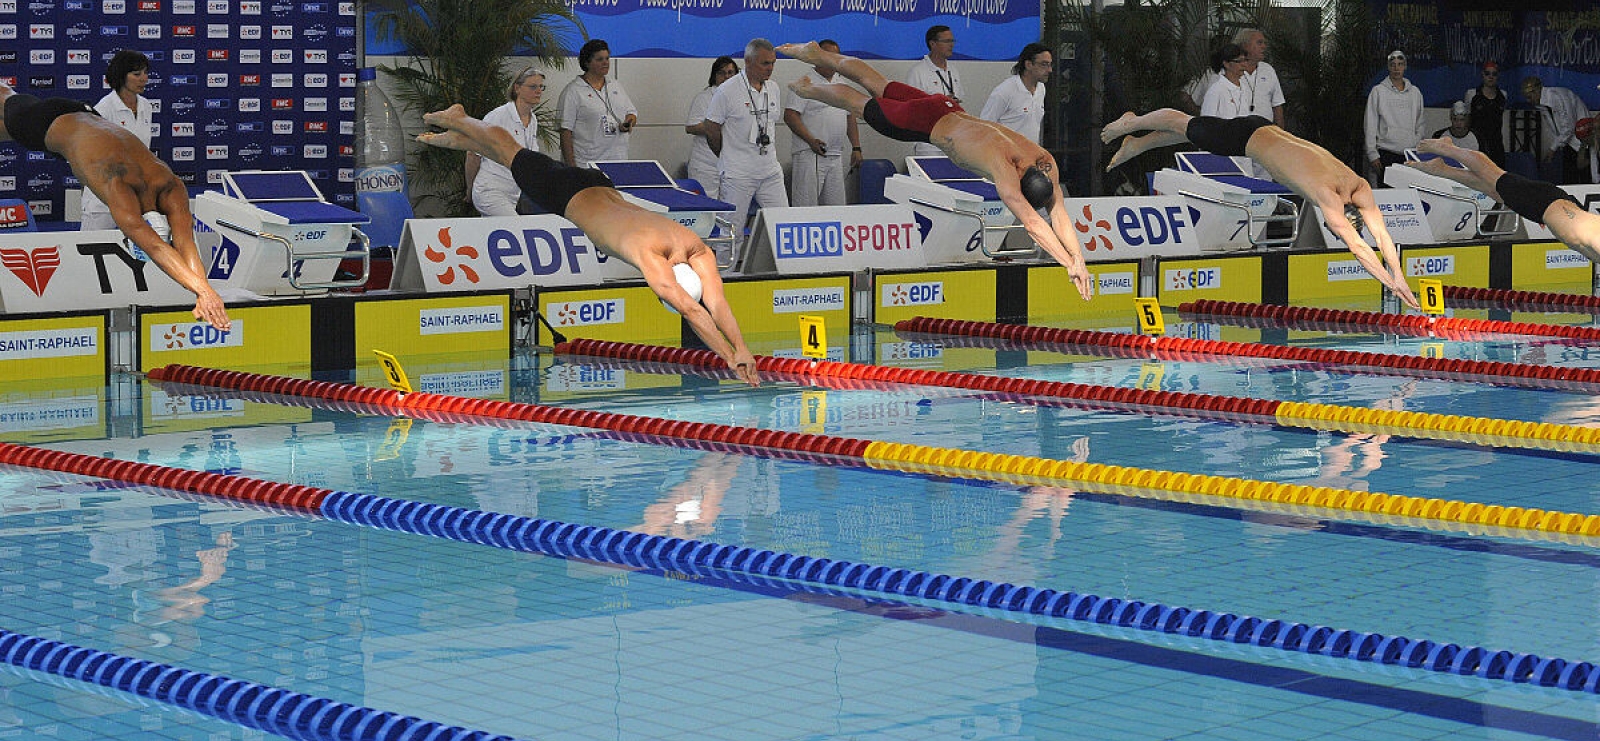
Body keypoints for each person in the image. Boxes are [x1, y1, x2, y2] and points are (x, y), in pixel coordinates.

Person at [418, 104, 760, 385]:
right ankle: (461, 117)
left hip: (599, 184)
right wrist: (730, 357)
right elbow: (693, 309)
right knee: (511, 152)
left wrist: (742, 348)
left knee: (513, 157)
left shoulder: (692, 243)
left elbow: (716, 303)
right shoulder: (650, 255)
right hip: (565, 194)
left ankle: (461, 139)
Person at [777, 41, 1093, 300]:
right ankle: (811, 88)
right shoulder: (1005, 175)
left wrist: (1078, 258)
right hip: (926, 124)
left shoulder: (1039, 157)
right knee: (861, 104)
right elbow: (1036, 224)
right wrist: (1067, 264)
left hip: (946, 106)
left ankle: (820, 55)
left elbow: (1058, 210)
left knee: (880, 83)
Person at [1102, 109, 1421, 309]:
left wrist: (1400, 276)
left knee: (1191, 133)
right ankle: (1134, 122)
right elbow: (1360, 247)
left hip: (1263, 127)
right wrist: (1390, 281)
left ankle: (1138, 144)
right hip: (1246, 138)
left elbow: (1382, 236)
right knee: (1182, 123)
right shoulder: (1327, 196)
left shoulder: (1358, 184)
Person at [0, 83, 230, 330]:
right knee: (7, 100)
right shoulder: (120, 188)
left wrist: (204, 292)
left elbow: (186, 244)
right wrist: (205, 292)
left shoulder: (169, 183)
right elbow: (156, 247)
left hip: (84, 115)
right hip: (43, 124)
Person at [1408, 137, 1600, 265]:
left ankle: (1442, 169)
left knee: (1494, 190)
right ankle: (1448, 148)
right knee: (1493, 174)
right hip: (1546, 202)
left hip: (1547, 208)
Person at [703, 39, 789, 262]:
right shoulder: (727, 91)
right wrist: (726, 157)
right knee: (732, 232)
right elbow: (711, 127)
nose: (770, 68)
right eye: (764, 64)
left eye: (772, 63)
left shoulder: (774, 88)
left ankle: (787, 274)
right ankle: (725, 281)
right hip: (738, 174)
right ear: (748, 62)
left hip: (769, 170)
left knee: (784, 225)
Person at [80, 49, 154, 231]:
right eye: (137, 74)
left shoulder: (146, 106)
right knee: (92, 252)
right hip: (102, 197)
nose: (144, 78)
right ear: (122, 76)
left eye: (145, 73)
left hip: (132, 196)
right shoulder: (104, 109)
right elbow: (88, 155)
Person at [783, 39, 861, 207]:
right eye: (828, 55)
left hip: (835, 155)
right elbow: (790, 115)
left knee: (836, 207)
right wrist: (811, 140)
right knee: (806, 207)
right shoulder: (805, 82)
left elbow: (850, 116)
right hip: (810, 154)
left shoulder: (842, 83)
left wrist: (856, 147)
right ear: (818, 56)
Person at [466, 67, 545, 217]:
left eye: (541, 87)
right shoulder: (498, 116)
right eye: (533, 86)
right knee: (517, 229)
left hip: (513, 193)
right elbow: (472, 154)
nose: (539, 91)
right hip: (490, 190)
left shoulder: (532, 120)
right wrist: (470, 189)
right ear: (517, 88)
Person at [558, 39, 637, 168]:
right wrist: (572, 168)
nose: (605, 63)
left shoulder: (615, 85)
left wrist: (629, 123)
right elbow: (565, 132)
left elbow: (631, 112)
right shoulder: (573, 91)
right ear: (587, 63)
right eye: (600, 59)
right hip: (587, 165)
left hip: (618, 160)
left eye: (607, 58)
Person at [1365, 50, 1425, 187]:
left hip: (1409, 154)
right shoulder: (1378, 91)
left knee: (1408, 196)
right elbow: (1370, 124)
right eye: (1393, 65)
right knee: (1388, 197)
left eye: (1400, 64)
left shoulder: (1415, 93)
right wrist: (1372, 154)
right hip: (1386, 153)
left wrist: (1417, 144)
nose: (1396, 68)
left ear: (1405, 66)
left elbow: (1420, 122)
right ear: (1388, 67)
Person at [903, 25, 964, 156]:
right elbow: (911, 108)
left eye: (952, 41)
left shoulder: (953, 70)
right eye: (947, 41)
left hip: (952, 139)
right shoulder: (917, 72)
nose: (951, 45)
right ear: (933, 44)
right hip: (928, 141)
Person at [684, 56, 738, 198]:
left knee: (730, 208)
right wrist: (715, 127)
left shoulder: (741, 98)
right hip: (706, 164)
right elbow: (691, 127)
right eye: (722, 73)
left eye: (730, 73)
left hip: (732, 164)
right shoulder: (704, 97)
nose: (726, 77)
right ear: (714, 76)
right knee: (707, 209)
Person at [979, 42, 1052, 144]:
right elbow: (984, 126)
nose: (1049, 70)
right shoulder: (1005, 91)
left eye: (1050, 64)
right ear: (1028, 65)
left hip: (1030, 156)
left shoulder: (1041, 89)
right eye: (1044, 64)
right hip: (1006, 156)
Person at [1522, 75, 1587, 185]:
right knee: (1570, 180)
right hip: (1568, 143)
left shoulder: (1557, 97)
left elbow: (1568, 127)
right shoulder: (1541, 105)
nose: (1529, 100)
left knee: (1585, 178)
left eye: (1530, 96)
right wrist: (1556, 146)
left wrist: (1553, 148)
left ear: (1537, 90)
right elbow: (1557, 129)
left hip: (1584, 139)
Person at [1235, 29, 1286, 128]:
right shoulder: (1231, 71)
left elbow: (1277, 105)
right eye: (1259, 43)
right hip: (1238, 132)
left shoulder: (1268, 69)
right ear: (1245, 45)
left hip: (1266, 133)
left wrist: (1281, 134)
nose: (1264, 47)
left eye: (1264, 43)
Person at [1463, 61, 1507, 166]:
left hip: (1496, 145)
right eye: (1487, 73)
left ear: (1498, 76)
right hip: (1476, 143)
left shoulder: (1503, 96)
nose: (1491, 77)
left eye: (1494, 74)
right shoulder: (1472, 94)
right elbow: (1467, 120)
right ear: (1482, 74)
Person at [1200, 44, 1255, 120]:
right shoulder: (1216, 90)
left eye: (1245, 60)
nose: (1244, 65)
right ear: (1226, 64)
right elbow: (1206, 122)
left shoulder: (1246, 87)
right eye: (1239, 61)